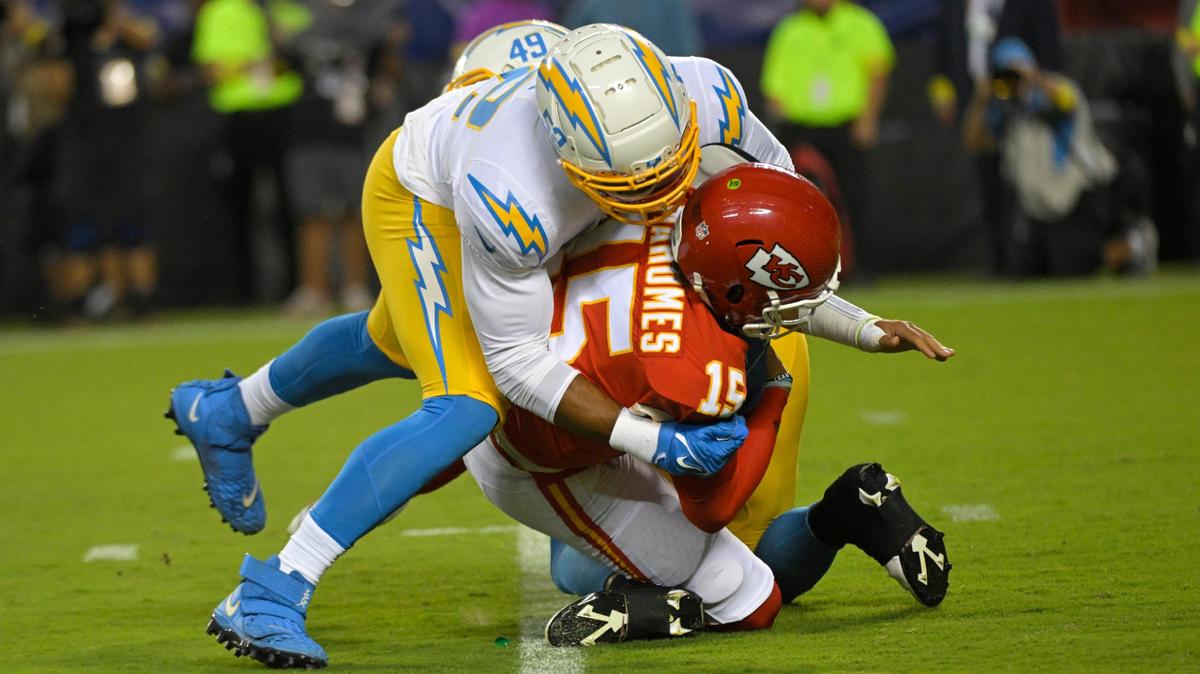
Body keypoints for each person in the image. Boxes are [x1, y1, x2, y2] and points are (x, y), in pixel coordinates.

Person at [172, 25, 776, 668]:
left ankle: (232, 409)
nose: (655, 193)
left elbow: (780, 192)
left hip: (476, 158)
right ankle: (275, 587)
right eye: (626, 184)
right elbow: (516, 365)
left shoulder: (708, 91)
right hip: (422, 194)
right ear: (567, 151)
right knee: (465, 402)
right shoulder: (511, 194)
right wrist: (649, 441)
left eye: (670, 163)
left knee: (392, 342)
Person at [464, 163, 950, 647]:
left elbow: (747, 276)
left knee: (683, 572)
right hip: (697, 371)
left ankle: (649, 599)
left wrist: (793, 374)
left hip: (634, 386)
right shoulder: (704, 359)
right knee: (728, 546)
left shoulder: (658, 207)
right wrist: (784, 377)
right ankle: (843, 512)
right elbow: (765, 287)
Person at [963, 38, 1156, 276]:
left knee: (1073, 269)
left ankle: (1133, 246)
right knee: (1027, 277)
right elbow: (975, 142)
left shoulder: (1055, 88)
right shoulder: (1003, 106)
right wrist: (981, 99)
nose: (1013, 79)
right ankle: (1119, 247)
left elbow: (1066, 100)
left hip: (1075, 196)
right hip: (1034, 209)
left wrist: (1033, 79)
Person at [760, 0, 894, 278]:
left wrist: (868, 119)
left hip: (845, 125)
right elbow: (773, 85)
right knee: (800, 199)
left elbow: (878, 71)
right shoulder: (790, 29)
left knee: (853, 196)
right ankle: (806, 267)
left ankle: (859, 268)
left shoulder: (860, 23)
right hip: (801, 128)